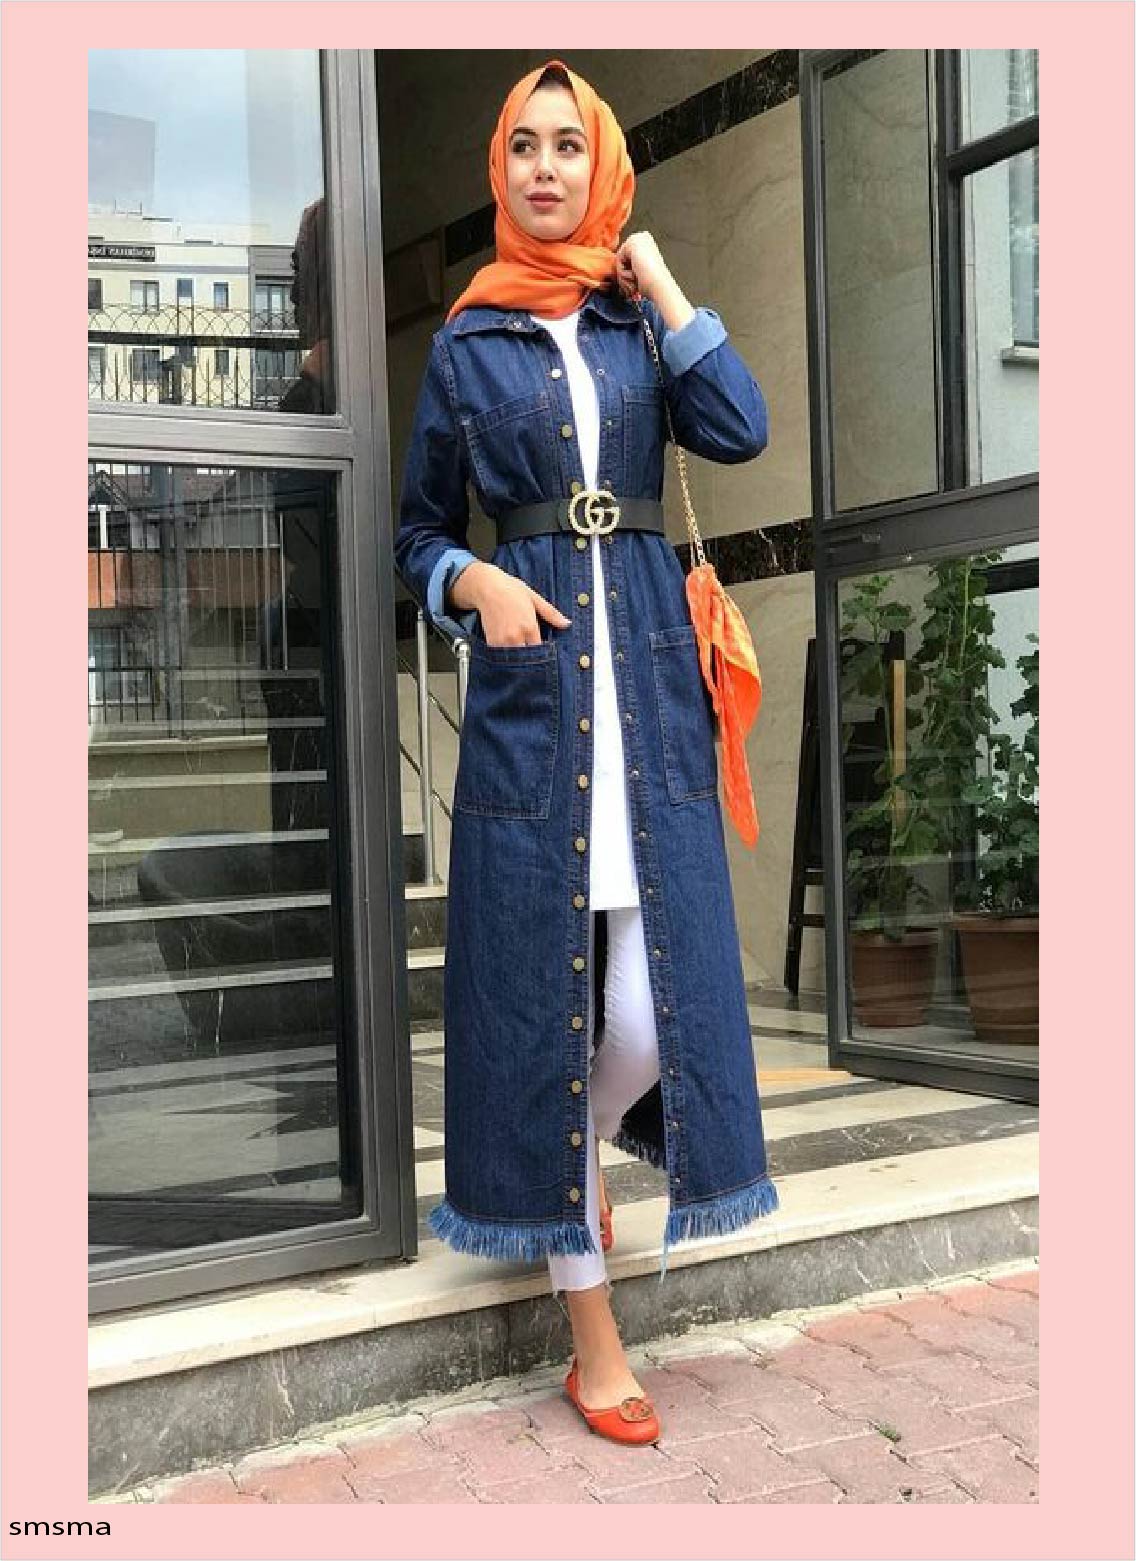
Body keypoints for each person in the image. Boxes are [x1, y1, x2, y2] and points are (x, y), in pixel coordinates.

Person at [393, 58, 779, 1448]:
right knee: (539, 1006)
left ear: (602, 165)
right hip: (533, 708)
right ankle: (592, 1335)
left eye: (570, 145)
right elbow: (414, 531)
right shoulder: (466, 343)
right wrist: (469, 582)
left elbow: (739, 427)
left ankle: (567, 1171)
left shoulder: (633, 322)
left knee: (639, 1021)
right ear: (497, 170)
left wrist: (660, 279)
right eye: (524, 147)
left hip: (651, 697)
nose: (545, 168)